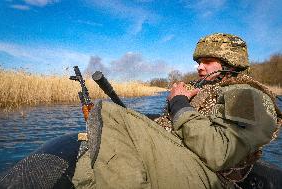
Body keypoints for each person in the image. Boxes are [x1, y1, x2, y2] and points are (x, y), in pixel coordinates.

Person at [72, 33, 281, 189]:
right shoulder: (207, 90)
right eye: (199, 62)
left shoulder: (246, 95)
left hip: (209, 178)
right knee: (95, 134)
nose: (200, 67)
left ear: (231, 63)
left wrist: (179, 103)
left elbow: (222, 153)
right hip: (188, 163)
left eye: (207, 61)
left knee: (107, 113)